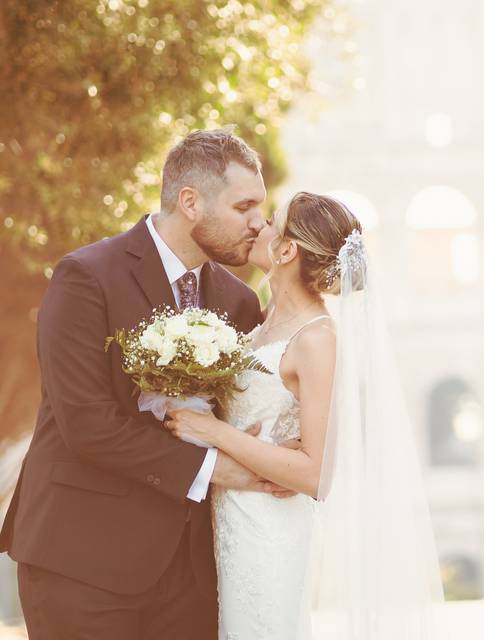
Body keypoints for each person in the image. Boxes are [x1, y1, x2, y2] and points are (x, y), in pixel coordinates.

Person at [0, 128, 289, 638]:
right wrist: (221, 470)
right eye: (243, 207)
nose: (258, 223)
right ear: (191, 201)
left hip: (194, 574)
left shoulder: (240, 302)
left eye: (259, 208)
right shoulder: (87, 277)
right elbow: (87, 424)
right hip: (81, 559)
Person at [165, 192, 444, 638]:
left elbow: (316, 475)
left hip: (269, 530)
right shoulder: (260, 323)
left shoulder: (317, 339)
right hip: (227, 520)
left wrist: (216, 432)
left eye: (271, 221)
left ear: (287, 249)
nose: (258, 226)